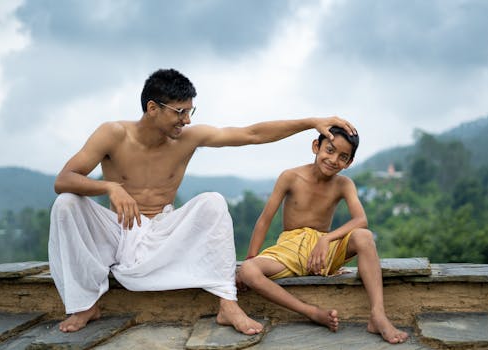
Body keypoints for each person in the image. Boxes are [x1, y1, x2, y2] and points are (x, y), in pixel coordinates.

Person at [48, 68, 357, 335]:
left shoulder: (188, 137)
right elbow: (64, 180)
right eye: (179, 112)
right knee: (66, 205)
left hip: (164, 230)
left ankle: (228, 303)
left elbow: (251, 134)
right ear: (152, 108)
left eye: (189, 111)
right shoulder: (113, 133)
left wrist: (310, 122)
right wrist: (111, 187)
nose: (185, 120)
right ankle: (85, 304)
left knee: (213, 201)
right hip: (119, 229)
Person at [237, 127, 409, 344]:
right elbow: (265, 219)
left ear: (349, 162)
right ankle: (311, 312)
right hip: (290, 249)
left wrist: (326, 239)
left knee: (364, 237)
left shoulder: (343, 184)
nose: (333, 159)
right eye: (330, 150)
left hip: (323, 251)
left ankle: (378, 315)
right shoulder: (290, 176)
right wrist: (252, 257)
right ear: (316, 147)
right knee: (248, 270)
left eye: (342, 157)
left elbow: (361, 220)